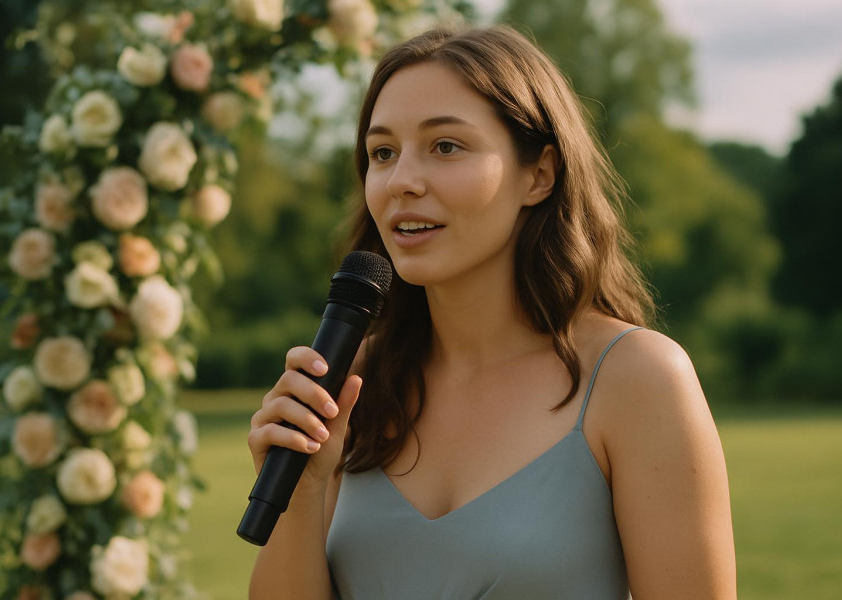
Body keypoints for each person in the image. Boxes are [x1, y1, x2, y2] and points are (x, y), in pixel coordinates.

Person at [247, 25, 736, 599]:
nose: (401, 181)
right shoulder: (353, 383)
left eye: (445, 146)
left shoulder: (637, 379)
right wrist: (302, 492)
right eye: (383, 153)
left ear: (539, 175)